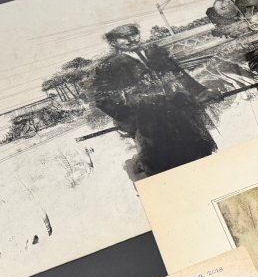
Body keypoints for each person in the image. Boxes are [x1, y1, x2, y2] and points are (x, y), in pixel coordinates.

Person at [92, 23, 217, 176]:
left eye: (133, 34)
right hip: (149, 121)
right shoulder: (109, 66)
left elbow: (180, 74)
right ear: (113, 42)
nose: (131, 39)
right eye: (123, 37)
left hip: (179, 111)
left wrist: (201, 92)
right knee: (164, 160)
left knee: (198, 150)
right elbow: (101, 98)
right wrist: (131, 117)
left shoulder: (155, 52)